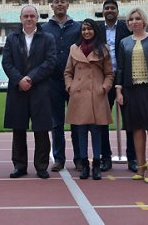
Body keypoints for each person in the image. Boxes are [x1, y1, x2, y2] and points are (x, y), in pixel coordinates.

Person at [115, 7, 148, 184]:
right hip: (131, 89)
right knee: (136, 128)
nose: (134, 22)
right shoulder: (124, 43)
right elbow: (121, 69)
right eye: (131, 19)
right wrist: (119, 90)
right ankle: (140, 166)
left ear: (144, 21)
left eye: (138, 18)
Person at [2, 5, 56, 179]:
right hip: (18, 89)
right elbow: (7, 63)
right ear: (20, 18)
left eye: (32, 16)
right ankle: (20, 166)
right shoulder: (12, 38)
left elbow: (50, 62)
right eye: (26, 16)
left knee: (41, 129)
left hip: (39, 89)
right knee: (18, 129)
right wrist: (19, 80)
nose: (29, 19)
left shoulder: (47, 38)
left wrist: (30, 78)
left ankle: (41, 166)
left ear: (37, 18)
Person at [64, 19, 114, 180]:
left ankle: (97, 165)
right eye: (84, 29)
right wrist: (70, 87)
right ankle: (84, 164)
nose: (86, 32)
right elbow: (68, 72)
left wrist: (104, 87)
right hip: (78, 95)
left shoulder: (103, 49)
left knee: (97, 131)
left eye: (90, 29)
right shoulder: (74, 49)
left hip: (96, 95)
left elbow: (109, 73)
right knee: (81, 132)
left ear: (95, 31)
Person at [42, 0, 81, 172]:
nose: (59, 5)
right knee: (56, 123)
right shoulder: (44, 28)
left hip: (74, 80)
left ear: (67, 5)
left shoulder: (78, 27)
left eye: (62, 2)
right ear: (52, 6)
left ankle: (79, 158)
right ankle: (59, 158)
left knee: (77, 121)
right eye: (56, 2)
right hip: (53, 81)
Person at [98, 0, 137, 173]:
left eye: (112, 8)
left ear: (117, 10)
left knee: (130, 120)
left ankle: (133, 157)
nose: (110, 10)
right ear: (103, 11)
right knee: (102, 121)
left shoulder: (126, 28)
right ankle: (105, 158)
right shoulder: (98, 30)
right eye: (107, 8)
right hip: (104, 79)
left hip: (125, 79)